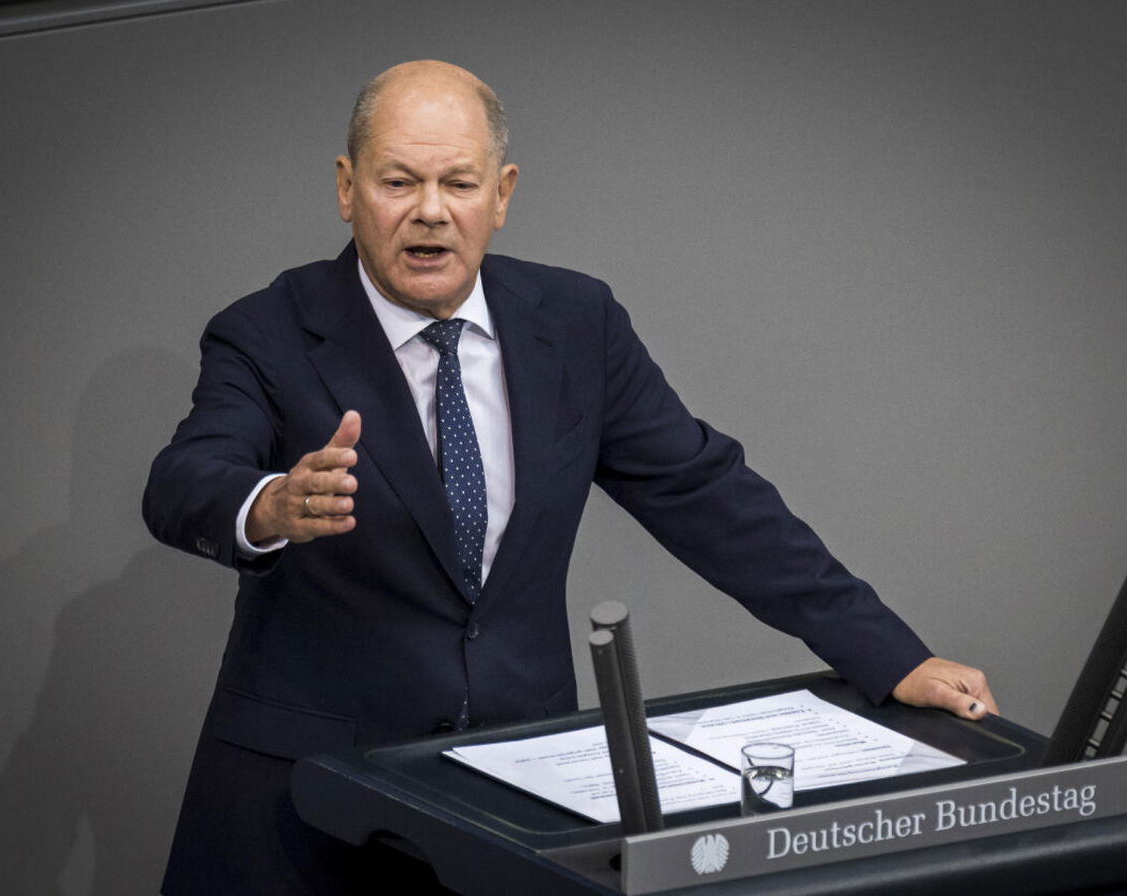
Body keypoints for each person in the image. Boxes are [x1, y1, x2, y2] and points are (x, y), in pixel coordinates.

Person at [143, 59, 996, 895]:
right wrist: (272, 504)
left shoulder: (576, 323)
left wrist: (891, 656)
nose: (430, 213)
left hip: (514, 796)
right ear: (346, 187)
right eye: (399, 183)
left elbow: (710, 496)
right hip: (310, 805)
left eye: (460, 184)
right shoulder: (268, 330)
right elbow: (184, 479)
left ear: (503, 194)